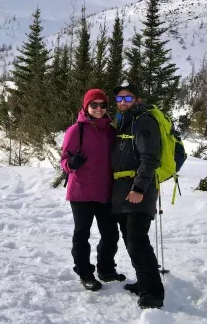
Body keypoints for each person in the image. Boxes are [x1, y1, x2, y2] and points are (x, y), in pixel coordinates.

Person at [60, 88, 126, 291]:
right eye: (94, 105)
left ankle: (106, 269)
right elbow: (63, 162)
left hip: (105, 191)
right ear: (86, 107)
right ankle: (85, 273)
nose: (98, 108)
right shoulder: (76, 130)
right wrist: (72, 163)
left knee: (110, 234)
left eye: (103, 105)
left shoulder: (111, 131)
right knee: (82, 234)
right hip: (81, 193)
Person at [110, 83, 166, 309]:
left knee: (137, 241)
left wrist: (140, 188)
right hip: (123, 191)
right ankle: (144, 283)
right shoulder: (126, 121)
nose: (123, 102)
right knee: (130, 240)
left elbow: (150, 157)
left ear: (137, 99)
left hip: (138, 192)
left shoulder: (143, 121)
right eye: (120, 99)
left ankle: (153, 292)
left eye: (128, 98)